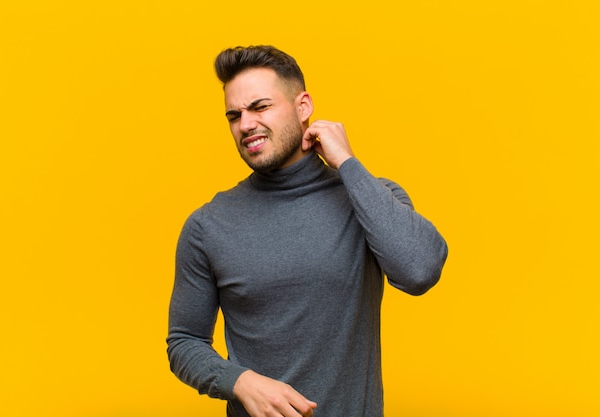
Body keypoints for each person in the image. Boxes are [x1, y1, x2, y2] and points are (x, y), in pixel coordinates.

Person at [167, 45, 448, 417]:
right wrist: (239, 380)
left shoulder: (369, 198)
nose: (245, 124)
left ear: (303, 107)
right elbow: (184, 341)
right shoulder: (208, 225)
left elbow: (419, 270)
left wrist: (347, 163)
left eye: (260, 106)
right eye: (234, 115)